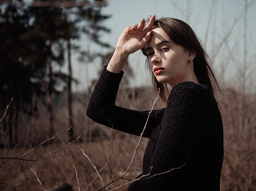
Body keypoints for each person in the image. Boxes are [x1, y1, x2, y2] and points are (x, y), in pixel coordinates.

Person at [86, 15, 224, 191]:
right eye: (150, 52)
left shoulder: (188, 93)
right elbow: (99, 110)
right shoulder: (176, 111)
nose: (154, 58)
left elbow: (156, 181)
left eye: (164, 48)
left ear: (191, 53)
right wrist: (121, 52)